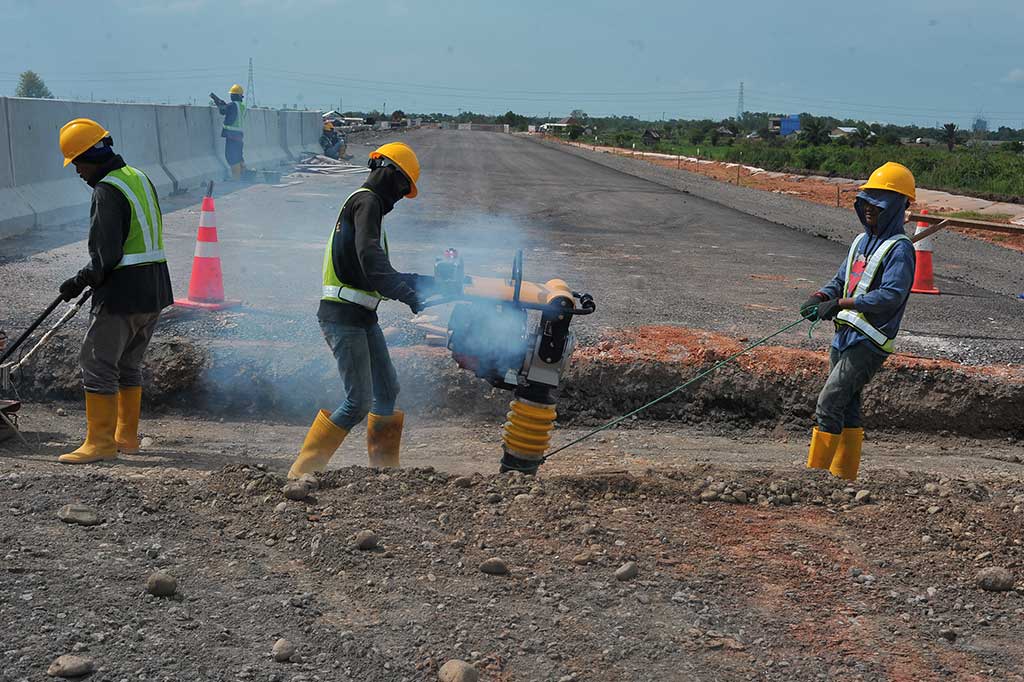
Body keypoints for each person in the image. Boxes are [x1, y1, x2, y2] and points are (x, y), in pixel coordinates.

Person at [287, 142, 433, 478]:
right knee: (358, 402)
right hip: (343, 318)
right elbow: (372, 263)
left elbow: (380, 269)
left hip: (362, 317)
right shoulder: (366, 202)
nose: (400, 197)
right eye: (402, 186)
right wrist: (408, 295)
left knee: (387, 390)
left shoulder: (369, 209)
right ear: (387, 172)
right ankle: (301, 473)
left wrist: (425, 283)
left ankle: (384, 472)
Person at [56, 118, 174, 464]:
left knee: (97, 362)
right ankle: (126, 437)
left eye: (77, 161)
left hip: (122, 293)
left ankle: (100, 443)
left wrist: (77, 282)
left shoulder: (106, 190)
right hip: (154, 289)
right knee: (128, 363)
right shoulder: (138, 178)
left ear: (91, 156)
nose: (77, 170)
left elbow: (106, 257)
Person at [800, 162, 917, 481]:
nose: (868, 209)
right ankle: (843, 478)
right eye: (866, 202)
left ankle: (816, 480)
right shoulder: (860, 243)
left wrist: (842, 304)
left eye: (877, 204)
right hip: (844, 337)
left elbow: (890, 296)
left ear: (898, 206)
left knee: (829, 401)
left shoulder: (900, 250)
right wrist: (821, 297)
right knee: (847, 405)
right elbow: (841, 280)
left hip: (870, 342)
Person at [211, 84, 246, 179]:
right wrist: (222, 103)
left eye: (233, 94)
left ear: (236, 96)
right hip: (239, 136)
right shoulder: (242, 106)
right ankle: (245, 175)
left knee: (231, 157)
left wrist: (217, 101)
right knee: (238, 156)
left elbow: (223, 110)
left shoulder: (233, 105)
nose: (231, 96)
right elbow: (228, 109)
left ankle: (236, 178)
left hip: (232, 135)